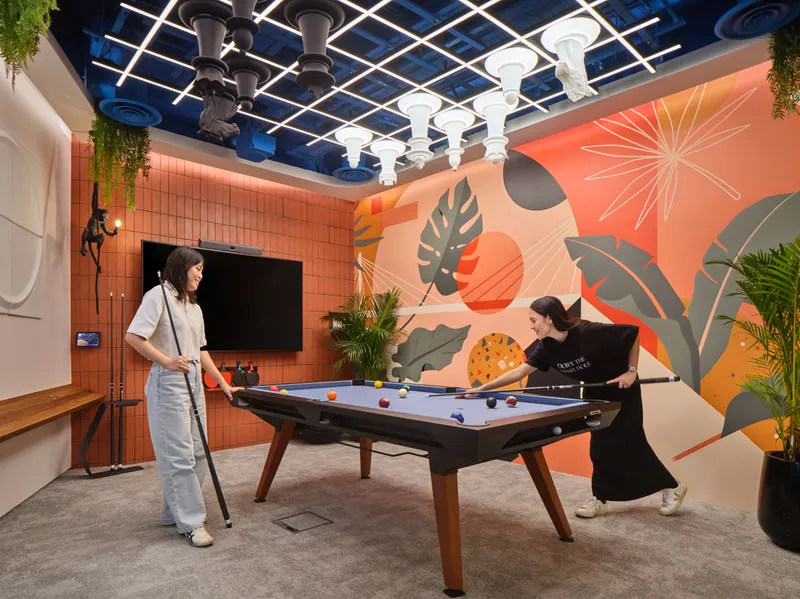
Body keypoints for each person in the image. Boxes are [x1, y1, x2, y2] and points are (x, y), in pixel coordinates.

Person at [470, 296, 687, 518]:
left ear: (549, 318)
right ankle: (600, 498)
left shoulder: (587, 332)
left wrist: (631, 371)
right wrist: (483, 389)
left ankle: (673, 486)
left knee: (630, 441)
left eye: (534, 320)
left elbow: (632, 333)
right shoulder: (547, 347)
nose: (531, 325)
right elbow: (519, 372)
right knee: (599, 446)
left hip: (621, 389)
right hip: (594, 392)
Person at [126, 246, 241, 547]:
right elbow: (133, 337)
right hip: (169, 380)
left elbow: (201, 352)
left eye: (202, 270)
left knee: (198, 451)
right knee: (178, 454)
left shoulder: (194, 307)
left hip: (193, 380)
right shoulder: (157, 296)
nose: (201, 275)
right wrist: (165, 360)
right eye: (198, 269)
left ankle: (172, 511)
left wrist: (223, 384)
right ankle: (191, 522)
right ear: (182, 267)